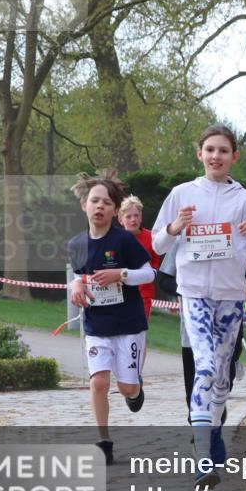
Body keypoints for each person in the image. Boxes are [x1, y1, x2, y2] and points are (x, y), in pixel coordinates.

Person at [152, 124, 246, 486]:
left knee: (221, 378)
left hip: (231, 298)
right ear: (199, 154)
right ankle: (204, 460)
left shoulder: (245, 201)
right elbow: (157, 246)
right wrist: (174, 227)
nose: (216, 156)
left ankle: (214, 431)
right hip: (194, 294)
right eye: (210, 150)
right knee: (203, 367)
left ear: (234, 156)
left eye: (223, 150)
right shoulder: (181, 194)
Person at [68, 174, 154, 466]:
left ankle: (135, 387)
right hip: (97, 325)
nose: (100, 207)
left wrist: (122, 274)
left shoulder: (124, 240)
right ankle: (103, 441)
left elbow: (149, 273)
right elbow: (77, 275)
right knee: (99, 382)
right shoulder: (77, 243)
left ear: (114, 210)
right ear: (84, 205)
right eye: (95, 201)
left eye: (106, 202)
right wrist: (76, 286)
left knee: (126, 388)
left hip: (128, 324)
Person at [117, 195, 161, 320]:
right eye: (128, 216)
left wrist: (148, 274)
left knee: (139, 331)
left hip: (144, 293)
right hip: (120, 293)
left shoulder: (151, 237)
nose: (133, 220)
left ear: (141, 217)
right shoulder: (115, 239)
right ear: (121, 220)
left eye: (136, 215)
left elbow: (155, 263)